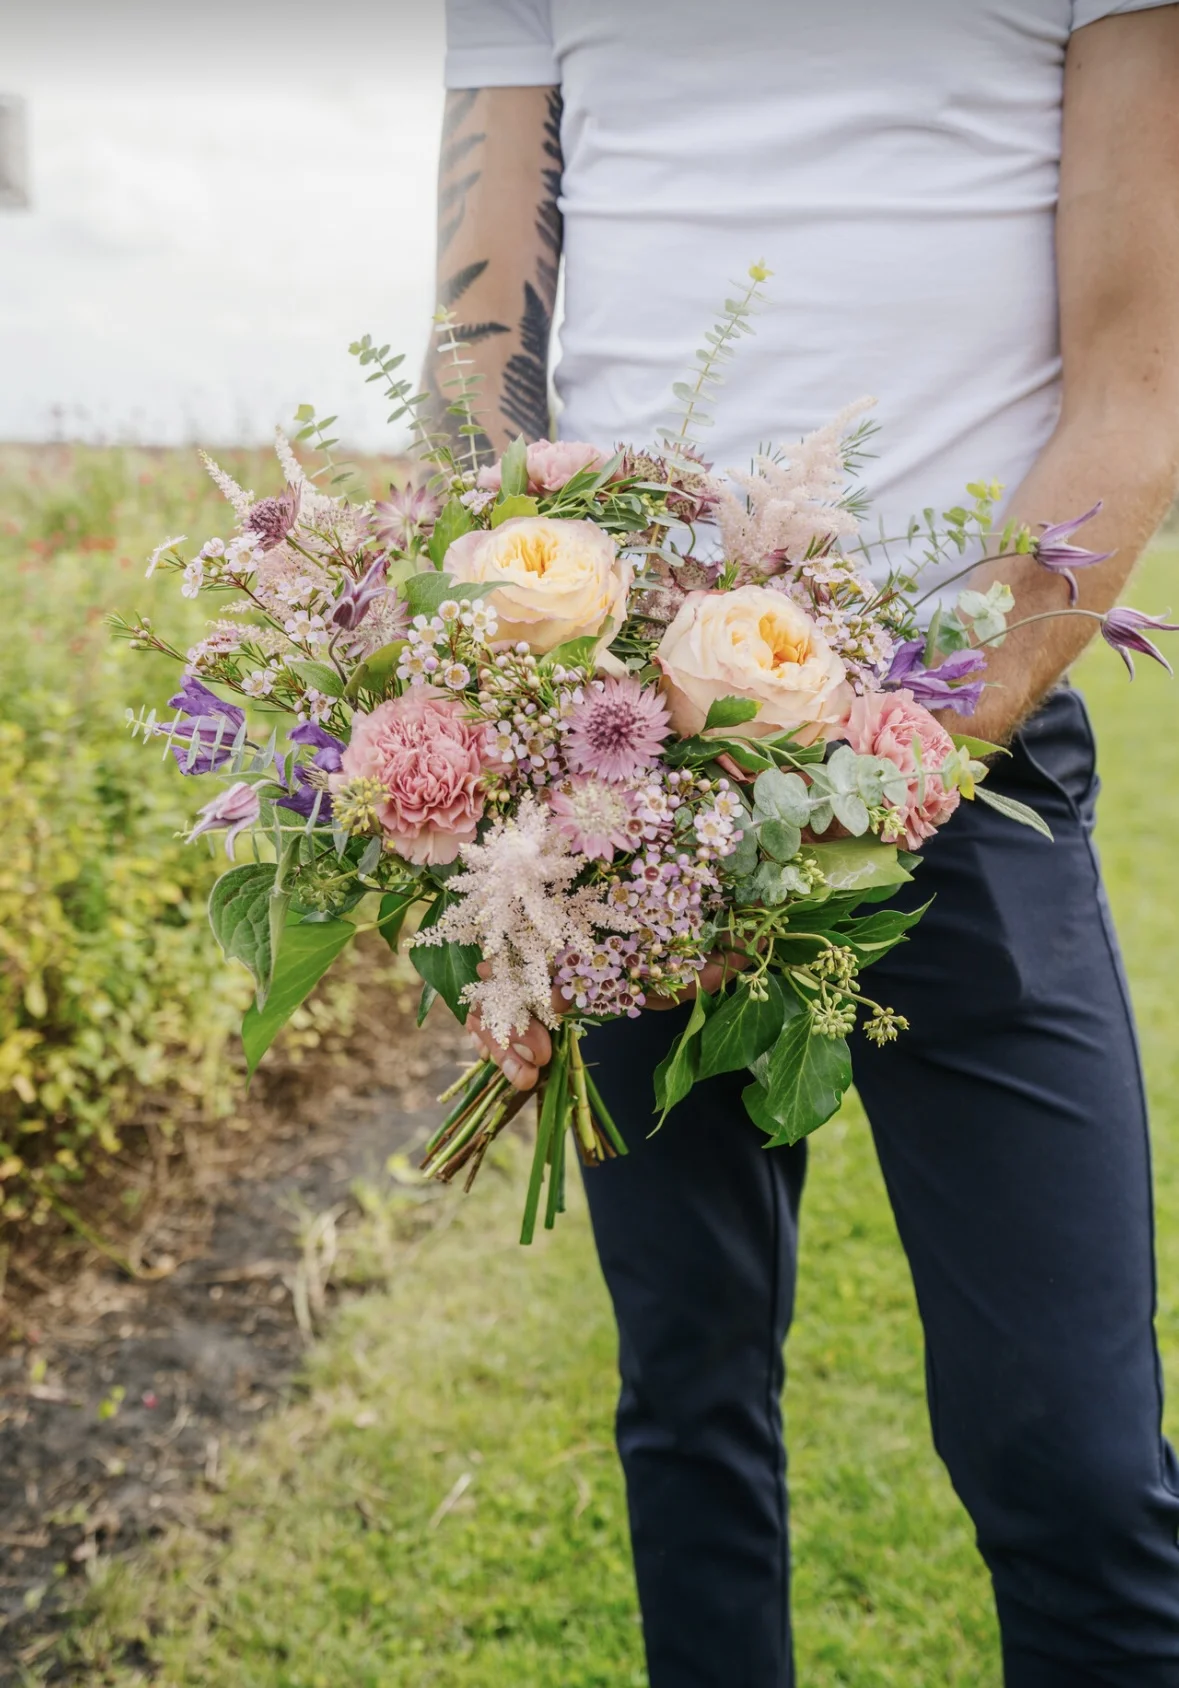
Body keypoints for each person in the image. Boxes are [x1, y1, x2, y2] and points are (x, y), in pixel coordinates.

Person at [429, 5, 1179, 1683]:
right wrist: (510, 717)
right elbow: (477, 353)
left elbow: (1131, 399)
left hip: (960, 760)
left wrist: (889, 747)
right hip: (618, 755)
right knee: (685, 1399)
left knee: (1070, 1459)